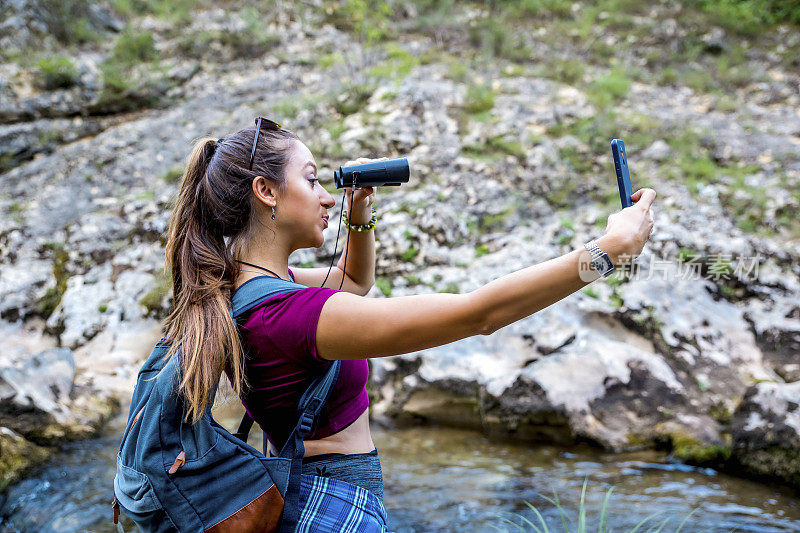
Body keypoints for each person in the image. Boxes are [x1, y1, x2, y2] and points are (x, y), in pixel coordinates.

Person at [162, 117, 656, 529]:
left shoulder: (241, 290)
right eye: (311, 180)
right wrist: (606, 253)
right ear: (266, 191)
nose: (326, 196)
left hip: (302, 498)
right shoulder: (289, 315)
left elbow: (353, 280)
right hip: (334, 505)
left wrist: (359, 215)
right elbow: (480, 314)